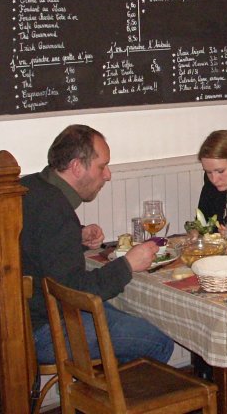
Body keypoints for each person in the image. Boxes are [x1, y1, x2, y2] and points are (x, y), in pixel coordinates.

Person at [21, 124, 174, 365]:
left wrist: (76, 235)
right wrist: (128, 264)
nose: (108, 175)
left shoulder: (33, 187)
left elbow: (39, 247)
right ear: (76, 167)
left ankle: (106, 395)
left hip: (23, 320)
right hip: (45, 331)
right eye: (102, 166)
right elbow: (76, 291)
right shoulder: (56, 211)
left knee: (133, 317)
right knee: (159, 340)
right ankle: (116, 401)